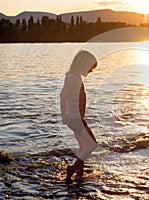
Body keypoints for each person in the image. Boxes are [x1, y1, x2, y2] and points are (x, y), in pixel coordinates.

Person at [60, 50, 98, 183]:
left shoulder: (75, 76)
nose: (91, 71)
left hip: (77, 117)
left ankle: (79, 172)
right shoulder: (72, 78)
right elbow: (63, 96)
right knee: (93, 144)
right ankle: (72, 168)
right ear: (83, 64)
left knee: (83, 144)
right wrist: (64, 115)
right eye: (91, 68)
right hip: (75, 118)